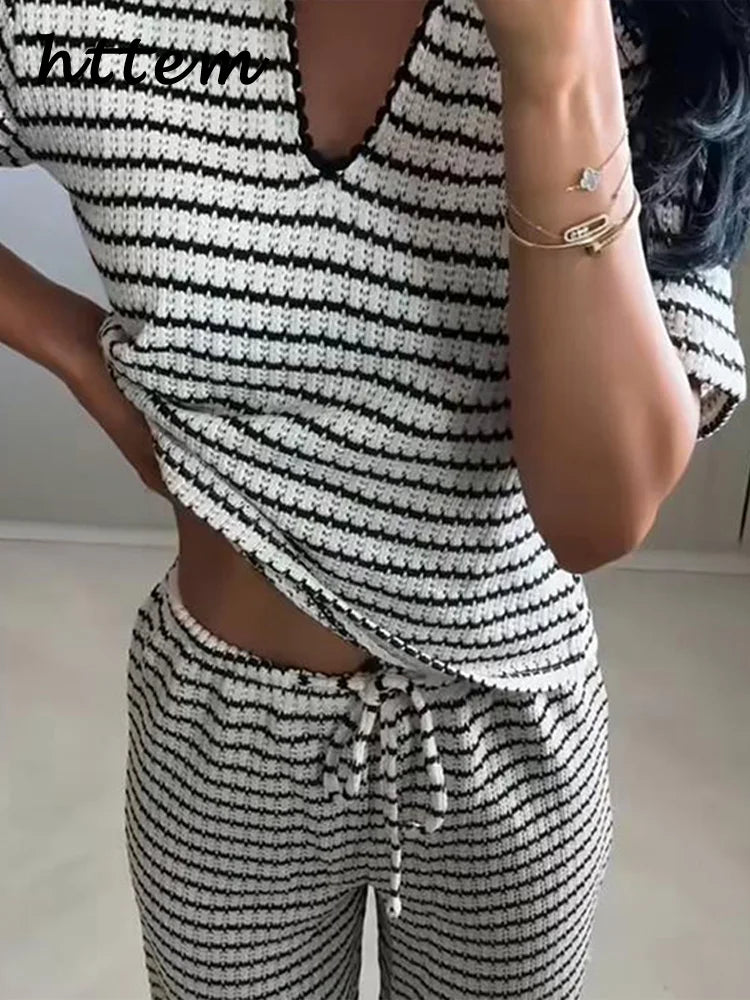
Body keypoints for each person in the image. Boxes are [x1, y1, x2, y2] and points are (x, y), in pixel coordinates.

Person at [1, 0, 748, 997]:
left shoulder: (654, 30)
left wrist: (559, 60)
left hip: (514, 740)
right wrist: (74, 350)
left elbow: (596, 513)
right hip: (222, 739)